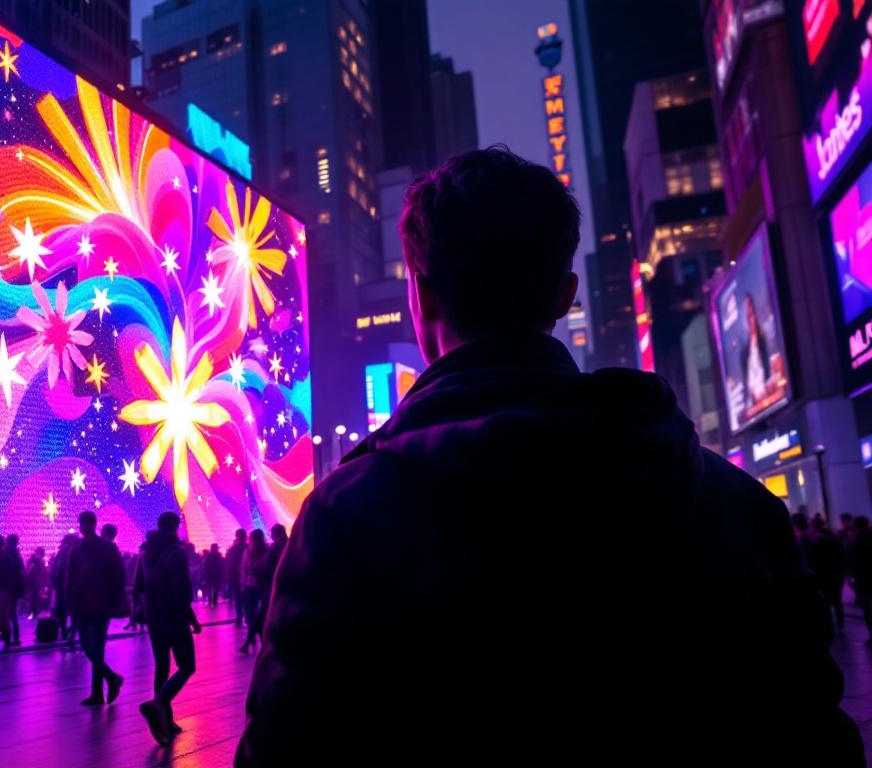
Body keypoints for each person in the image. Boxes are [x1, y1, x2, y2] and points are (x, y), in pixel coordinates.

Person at [237, 148, 863, 766]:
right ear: (565, 294)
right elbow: (816, 736)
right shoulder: (732, 502)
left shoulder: (345, 520)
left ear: (420, 298)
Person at [136, 512, 203, 745]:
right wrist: (192, 618)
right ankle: (158, 703)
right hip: (174, 617)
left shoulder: (145, 554)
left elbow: (138, 587)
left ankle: (165, 720)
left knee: (162, 667)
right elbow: (182, 592)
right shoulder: (176, 554)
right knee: (187, 666)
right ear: (175, 527)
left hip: (155, 619)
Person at [66, 511, 126, 706]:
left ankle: (98, 692)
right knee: (89, 647)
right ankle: (110, 679)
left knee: (95, 648)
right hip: (88, 604)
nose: (84, 527)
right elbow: (72, 578)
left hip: (97, 604)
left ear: (92, 524)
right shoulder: (79, 550)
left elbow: (118, 576)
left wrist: (114, 601)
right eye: (82, 524)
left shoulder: (102, 548)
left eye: (86, 524)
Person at [806, 515, 847, 635]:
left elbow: (811, 559)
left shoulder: (813, 540)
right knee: (837, 601)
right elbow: (841, 555)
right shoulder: (832, 537)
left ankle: (831, 626)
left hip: (822, 576)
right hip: (835, 575)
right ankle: (840, 624)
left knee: (826, 603)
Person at [238, 530, 270, 655]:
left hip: (249, 585)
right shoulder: (267, 551)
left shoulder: (248, 552)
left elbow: (244, 568)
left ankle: (253, 640)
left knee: (251, 614)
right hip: (262, 586)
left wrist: (242, 583)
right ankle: (256, 640)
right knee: (258, 614)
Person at [849, 517, 872, 646]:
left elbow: (852, 559)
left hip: (863, 577)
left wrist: (852, 575)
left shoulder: (856, 540)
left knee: (867, 606)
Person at [226, 530, 247, 625]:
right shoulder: (249, 547)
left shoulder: (233, 549)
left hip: (237, 579)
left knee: (238, 600)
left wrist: (230, 579)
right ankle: (248, 618)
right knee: (248, 600)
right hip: (248, 579)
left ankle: (239, 619)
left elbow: (230, 566)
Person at [25, 546, 50, 618]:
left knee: (36, 598)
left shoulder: (39, 561)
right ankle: (33, 613)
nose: (42, 556)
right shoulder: (34, 561)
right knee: (33, 598)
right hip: (33, 583)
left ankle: (34, 613)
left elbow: (43, 572)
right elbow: (29, 571)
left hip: (37, 583)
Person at [203, 543, 224, 608]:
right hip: (217, 574)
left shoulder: (208, 556)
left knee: (210, 588)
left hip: (210, 574)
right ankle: (214, 602)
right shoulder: (219, 555)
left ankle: (210, 601)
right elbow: (221, 565)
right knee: (215, 589)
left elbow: (206, 565)